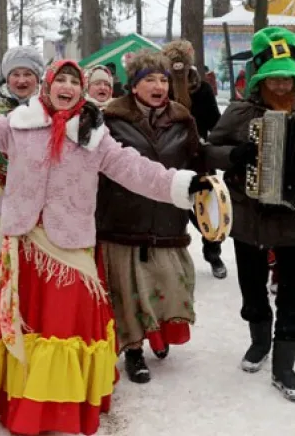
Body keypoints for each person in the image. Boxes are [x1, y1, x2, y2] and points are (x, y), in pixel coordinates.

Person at [0, 58, 212, 435]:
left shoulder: (95, 137)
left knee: (64, 330)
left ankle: (58, 406)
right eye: (60, 80)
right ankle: (18, 398)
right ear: (48, 85)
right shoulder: (19, 125)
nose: (68, 87)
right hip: (24, 244)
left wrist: (180, 186)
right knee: (18, 326)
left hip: (70, 245)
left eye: (74, 82)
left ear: (82, 89)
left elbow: (136, 169)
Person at [208, 27, 295, 402]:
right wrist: (233, 156)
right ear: (259, 77)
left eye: (286, 76)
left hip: (293, 222)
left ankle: (285, 363)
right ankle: (259, 341)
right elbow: (206, 151)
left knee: (293, 295)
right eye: (273, 75)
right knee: (253, 289)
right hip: (248, 217)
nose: (281, 84)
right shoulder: (240, 113)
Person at [97, 50, 206, 383]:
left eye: (163, 79)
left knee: (169, 282)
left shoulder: (182, 117)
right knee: (129, 292)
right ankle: (134, 351)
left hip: (167, 217)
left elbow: (196, 160)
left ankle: (159, 334)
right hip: (122, 218)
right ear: (133, 86)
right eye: (149, 79)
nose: (159, 85)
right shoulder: (110, 119)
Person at [0, 46, 44, 297]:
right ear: (6, 77)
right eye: (16, 74)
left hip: (40, 199)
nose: (22, 80)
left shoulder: (50, 109)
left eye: (28, 74)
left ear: (38, 77)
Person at [161, 40, 227, 279]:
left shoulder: (203, 89)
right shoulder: (161, 89)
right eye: (174, 67)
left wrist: (207, 143)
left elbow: (214, 123)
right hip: (168, 160)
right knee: (170, 213)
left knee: (207, 210)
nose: (178, 71)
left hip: (198, 159)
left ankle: (213, 254)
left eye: (182, 66)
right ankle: (173, 257)